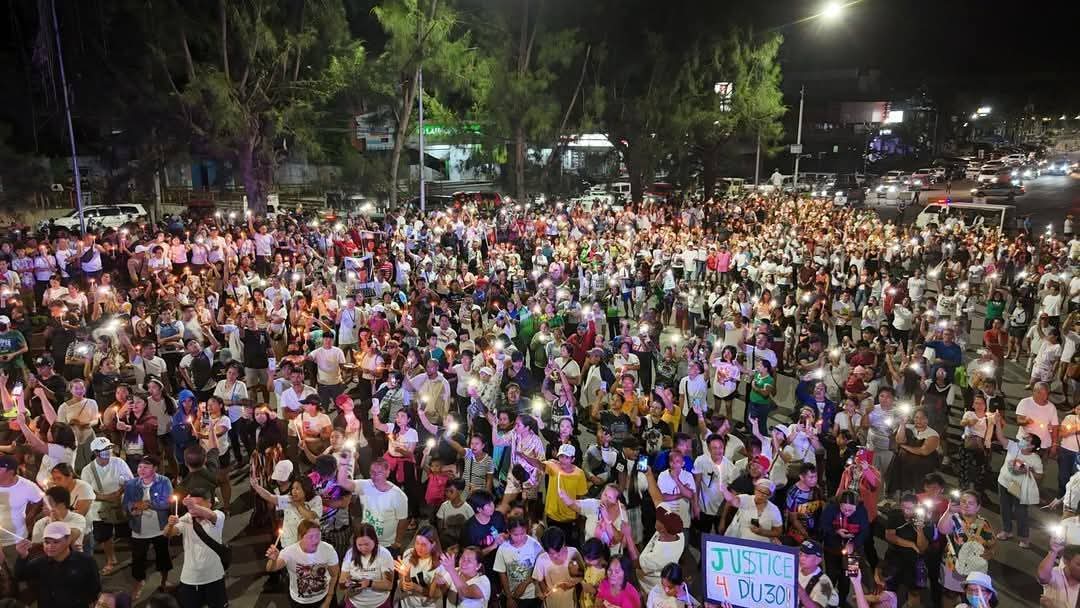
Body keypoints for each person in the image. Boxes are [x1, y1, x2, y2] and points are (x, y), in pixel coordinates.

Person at [11, 521, 101, 608]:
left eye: (56, 542)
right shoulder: (39, 563)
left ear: (68, 540)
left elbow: (95, 588)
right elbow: (20, 576)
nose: (50, 547)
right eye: (47, 542)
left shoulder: (86, 561)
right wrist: (23, 556)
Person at [163, 488, 228, 608]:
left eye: (198, 505)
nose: (193, 509)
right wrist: (170, 524)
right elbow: (167, 533)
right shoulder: (186, 519)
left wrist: (193, 505)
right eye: (191, 506)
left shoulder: (218, 516)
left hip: (214, 577)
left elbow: (210, 515)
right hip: (190, 578)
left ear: (209, 503)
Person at [121, 455, 174, 597]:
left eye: (146, 467)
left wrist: (149, 504)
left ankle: (164, 580)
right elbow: (126, 504)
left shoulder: (164, 481)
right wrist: (133, 507)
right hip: (139, 529)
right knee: (138, 558)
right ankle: (139, 583)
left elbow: (168, 503)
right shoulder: (131, 484)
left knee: (163, 555)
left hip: (160, 528)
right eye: (140, 467)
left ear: (155, 469)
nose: (141, 470)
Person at [81, 437, 134, 575]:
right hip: (100, 508)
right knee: (104, 535)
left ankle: (135, 555)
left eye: (109, 449)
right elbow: (87, 491)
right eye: (104, 451)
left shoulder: (119, 462)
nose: (108, 453)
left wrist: (119, 492)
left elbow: (129, 480)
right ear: (96, 453)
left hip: (119, 505)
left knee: (127, 531)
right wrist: (106, 497)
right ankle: (111, 560)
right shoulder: (88, 470)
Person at [336, 457, 409, 553]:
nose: (374, 476)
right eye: (372, 472)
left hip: (387, 544)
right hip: (366, 540)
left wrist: (398, 542)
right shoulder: (365, 485)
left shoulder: (398, 495)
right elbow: (343, 482)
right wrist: (344, 464)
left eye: (379, 473)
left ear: (387, 472)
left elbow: (403, 520)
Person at [265, 519, 340, 608]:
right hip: (299, 601)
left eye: (317, 535)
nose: (315, 540)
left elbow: (334, 575)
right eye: (311, 537)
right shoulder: (289, 552)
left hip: (323, 597)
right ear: (300, 537)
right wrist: (273, 560)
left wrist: (328, 599)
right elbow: (270, 568)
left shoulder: (328, 550)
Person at [338, 523, 394, 608]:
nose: (363, 548)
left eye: (367, 544)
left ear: (374, 540)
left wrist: (369, 583)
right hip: (355, 603)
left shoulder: (384, 554)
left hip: (379, 603)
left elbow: (388, 585)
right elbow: (342, 581)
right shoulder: (350, 554)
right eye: (359, 545)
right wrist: (348, 585)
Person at [494, 516, 544, 608]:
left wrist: (525, 583)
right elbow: (502, 573)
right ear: (509, 532)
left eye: (522, 533)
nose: (520, 538)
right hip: (511, 594)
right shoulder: (503, 548)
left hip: (531, 595)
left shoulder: (534, 545)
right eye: (515, 535)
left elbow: (541, 568)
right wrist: (509, 597)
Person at [532, 527, 582, 608]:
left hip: (570, 601)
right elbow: (539, 579)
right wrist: (544, 590)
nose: (555, 556)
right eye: (550, 553)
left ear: (564, 543)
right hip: (551, 602)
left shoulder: (573, 553)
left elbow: (581, 574)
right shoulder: (542, 559)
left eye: (558, 552)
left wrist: (570, 584)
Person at [395, 525, 444, 608]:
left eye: (424, 544)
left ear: (433, 544)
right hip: (408, 604)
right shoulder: (408, 554)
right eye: (417, 543)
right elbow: (402, 584)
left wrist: (418, 588)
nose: (419, 548)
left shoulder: (439, 564)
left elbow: (437, 594)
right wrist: (405, 580)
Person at [797, 540, 840, 608]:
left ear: (818, 560)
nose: (802, 558)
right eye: (801, 554)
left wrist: (799, 589)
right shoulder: (796, 567)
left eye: (807, 556)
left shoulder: (825, 584)